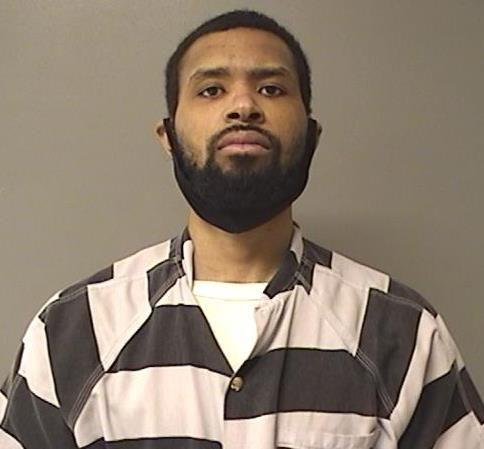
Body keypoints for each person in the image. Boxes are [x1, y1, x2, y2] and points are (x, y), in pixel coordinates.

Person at [1, 8, 483, 449]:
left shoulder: (403, 333)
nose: (244, 106)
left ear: (311, 136)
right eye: (211, 89)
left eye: (271, 89)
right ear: (168, 137)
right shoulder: (72, 330)